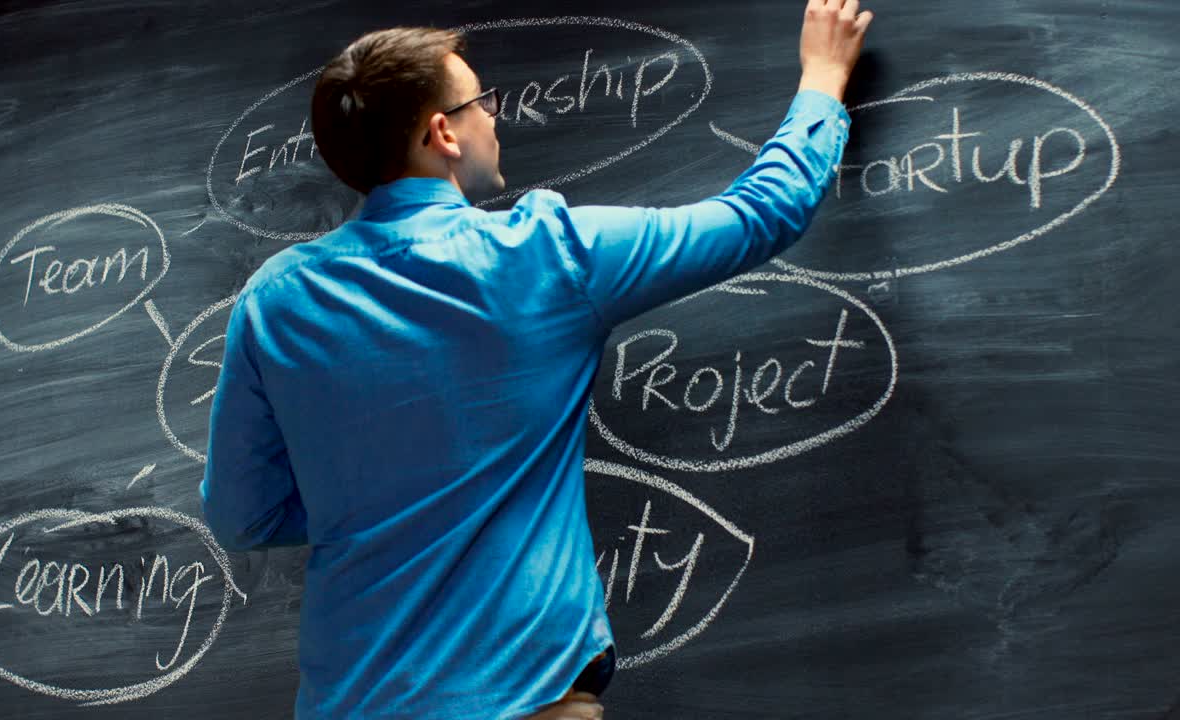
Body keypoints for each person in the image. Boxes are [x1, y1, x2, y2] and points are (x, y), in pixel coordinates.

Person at [198, 0, 873, 717]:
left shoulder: (275, 302)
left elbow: (241, 518)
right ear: (442, 133)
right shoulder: (548, 256)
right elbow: (761, 213)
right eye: (481, 101)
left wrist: (366, 501)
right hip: (523, 704)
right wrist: (824, 75)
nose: (494, 114)